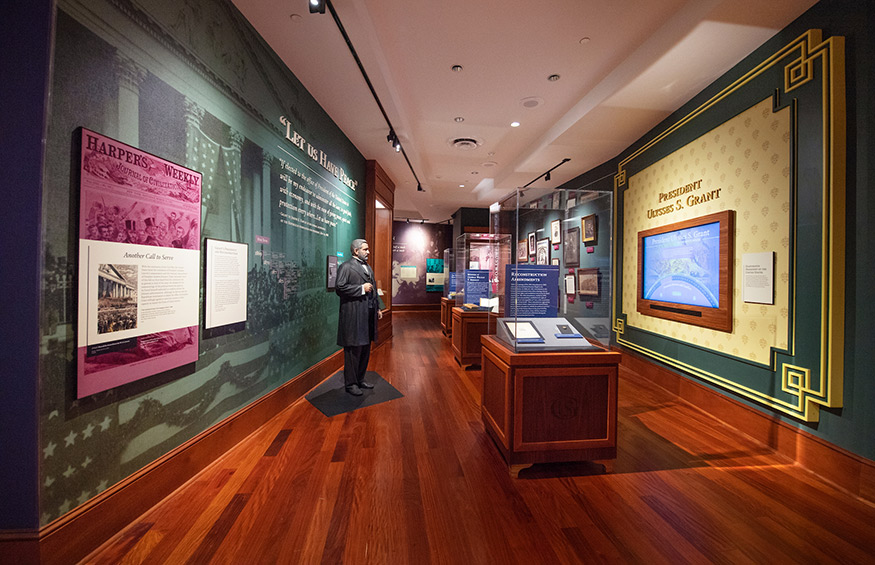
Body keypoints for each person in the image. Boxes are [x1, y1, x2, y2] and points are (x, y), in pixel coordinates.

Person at [336, 238, 382, 396]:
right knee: (353, 350)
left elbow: (374, 288)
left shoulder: (368, 267)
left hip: (367, 314)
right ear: (356, 251)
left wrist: (377, 308)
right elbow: (340, 288)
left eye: (368, 249)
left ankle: (360, 378)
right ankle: (351, 383)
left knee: (365, 348)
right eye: (365, 249)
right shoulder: (346, 267)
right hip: (354, 315)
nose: (368, 252)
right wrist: (361, 288)